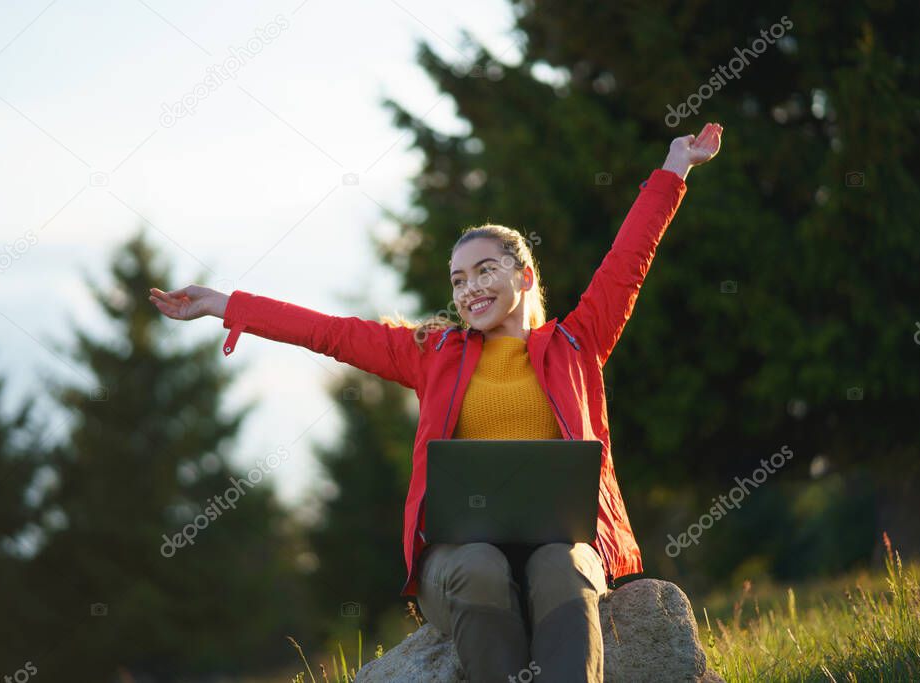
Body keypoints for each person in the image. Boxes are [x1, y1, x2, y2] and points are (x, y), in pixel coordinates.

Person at [149, 122, 723, 682]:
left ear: (524, 277)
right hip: (459, 562)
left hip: (558, 549)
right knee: (479, 564)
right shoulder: (431, 353)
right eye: (457, 279)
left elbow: (629, 261)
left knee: (562, 563)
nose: (469, 288)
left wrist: (675, 168)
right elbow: (329, 331)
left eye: (485, 271)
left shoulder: (577, 343)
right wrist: (226, 305)